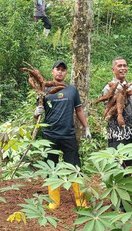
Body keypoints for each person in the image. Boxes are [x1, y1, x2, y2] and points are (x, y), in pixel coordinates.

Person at [33, 60, 91, 209]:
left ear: (66, 73)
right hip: (49, 135)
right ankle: (54, 201)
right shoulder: (43, 90)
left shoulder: (72, 90)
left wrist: (86, 128)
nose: (60, 72)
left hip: (68, 134)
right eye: (57, 69)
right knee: (51, 167)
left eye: (63, 70)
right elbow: (38, 111)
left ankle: (80, 200)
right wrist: (36, 112)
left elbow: (78, 110)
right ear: (52, 71)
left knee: (74, 166)